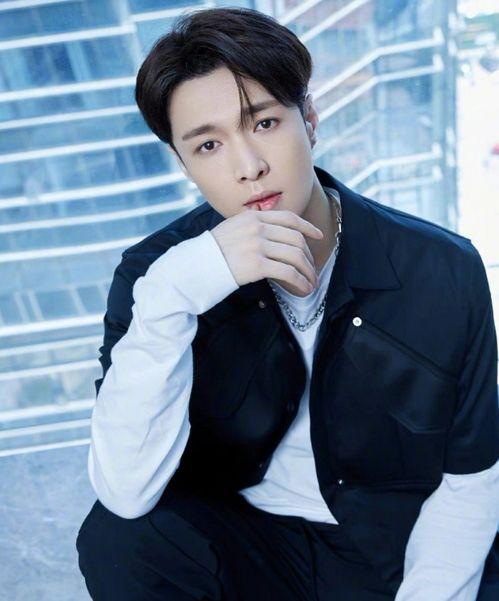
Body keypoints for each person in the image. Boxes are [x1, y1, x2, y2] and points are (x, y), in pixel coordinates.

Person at [75, 7, 499, 601]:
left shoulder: (441, 269)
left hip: (395, 550)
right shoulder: (157, 275)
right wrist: (173, 295)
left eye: (265, 123)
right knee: (118, 540)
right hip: (252, 546)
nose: (248, 167)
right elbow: (125, 491)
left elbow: (470, 481)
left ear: (310, 120)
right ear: (184, 163)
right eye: (209, 145)